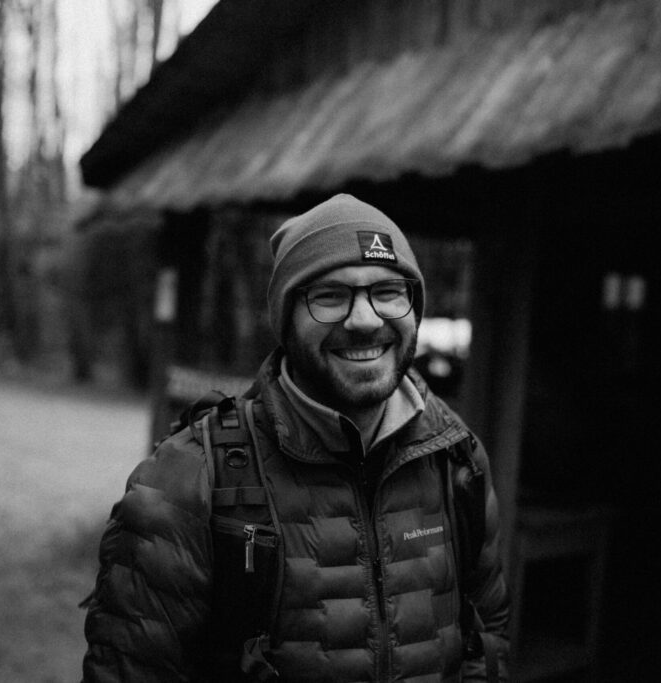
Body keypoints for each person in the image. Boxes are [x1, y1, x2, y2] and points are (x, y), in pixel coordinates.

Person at [81, 194, 509, 682]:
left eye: (389, 291)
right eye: (329, 296)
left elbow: (487, 632)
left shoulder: (458, 460)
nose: (366, 319)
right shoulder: (188, 477)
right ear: (286, 320)